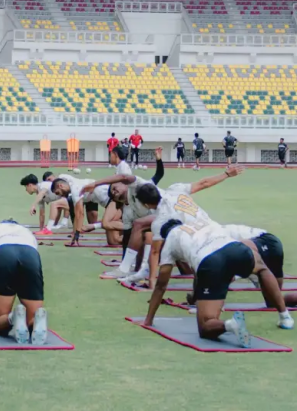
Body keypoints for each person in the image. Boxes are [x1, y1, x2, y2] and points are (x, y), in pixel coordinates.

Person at [142, 220, 292, 349]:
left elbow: (161, 285)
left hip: (211, 262)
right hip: (236, 249)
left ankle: (230, 325)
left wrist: (148, 320)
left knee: (205, 327)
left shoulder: (171, 240)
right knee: (262, 268)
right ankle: (285, 316)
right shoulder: (202, 223)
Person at [137, 165, 245, 288]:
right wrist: (226, 174)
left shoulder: (160, 220)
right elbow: (204, 183)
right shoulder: (175, 188)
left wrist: (151, 281)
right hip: (215, 227)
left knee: (204, 273)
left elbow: (155, 252)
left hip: (201, 240)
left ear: (146, 204)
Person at [79, 147, 165, 278]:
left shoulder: (141, 185)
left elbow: (157, 175)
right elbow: (127, 237)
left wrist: (95, 184)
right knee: (134, 232)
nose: (114, 191)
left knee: (145, 232)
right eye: (113, 194)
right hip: (155, 223)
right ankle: (134, 268)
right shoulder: (129, 208)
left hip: (169, 217)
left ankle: (142, 268)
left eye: (115, 188)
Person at [50, 174, 115, 245]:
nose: (60, 195)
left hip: (109, 197)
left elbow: (80, 214)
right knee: (112, 240)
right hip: (104, 198)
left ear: (60, 186)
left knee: (114, 236)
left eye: (58, 192)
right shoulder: (72, 187)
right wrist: (73, 237)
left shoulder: (75, 190)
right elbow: (76, 216)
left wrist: (76, 237)